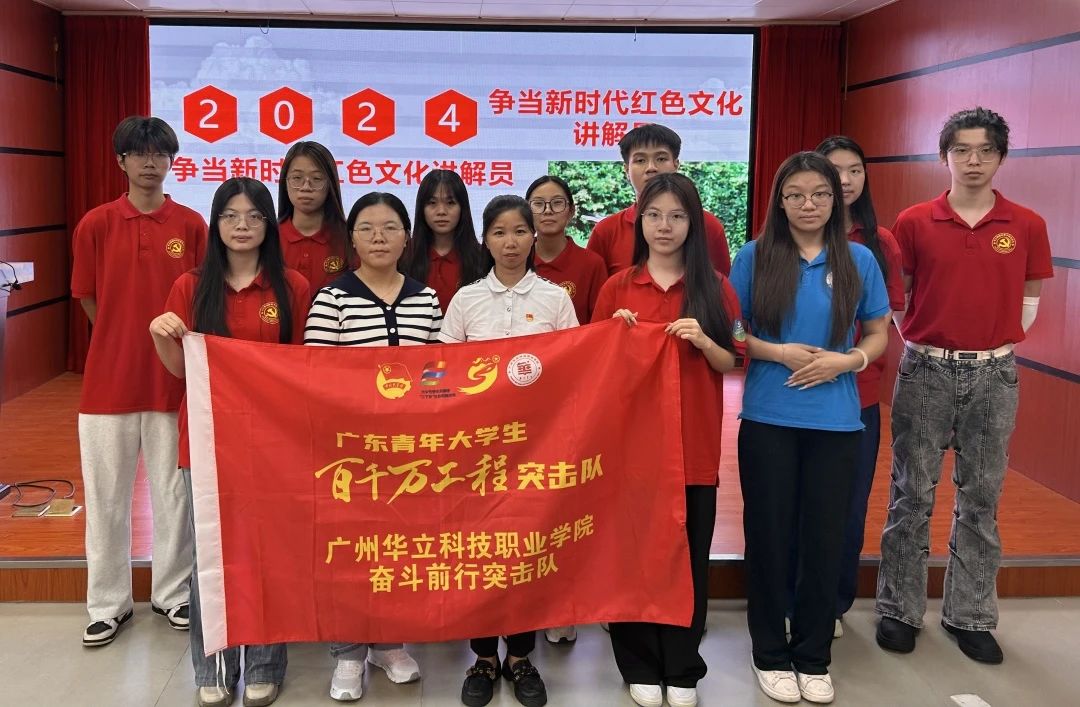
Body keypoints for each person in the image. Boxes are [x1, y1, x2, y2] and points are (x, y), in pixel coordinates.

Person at [875, 107, 1054, 665]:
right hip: (926, 369)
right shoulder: (913, 221)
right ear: (944, 156)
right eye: (961, 150)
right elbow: (901, 296)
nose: (973, 161)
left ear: (1001, 157)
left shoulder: (1026, 224)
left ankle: (970, 615)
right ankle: (899, 609)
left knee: (981, 497)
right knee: (912, 492)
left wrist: (995, 341)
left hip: (995, 375)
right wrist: (924, 341)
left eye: (985, 151)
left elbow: (1029, 297)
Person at [729, 151, 890, 704]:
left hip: (838, 422)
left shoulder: (859, 259)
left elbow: (877, 332)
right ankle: (769, 653)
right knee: (769, 536)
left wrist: (847, 361)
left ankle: (813, 655)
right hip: (768, 417)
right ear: (779, 200)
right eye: (795, 194)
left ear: (835, 199)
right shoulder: (754, 256)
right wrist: (778, 352)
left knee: (826, 538)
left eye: (820, 194)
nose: (809, 204)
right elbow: (732, 330)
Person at [149, 177, 309, 707]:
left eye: (254, 216)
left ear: (269, 224)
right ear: (215, 223)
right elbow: (180, 371)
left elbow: (304, 368)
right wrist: (161, 335)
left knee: (268, 553)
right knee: (210, 557)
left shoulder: (293, 286)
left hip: (274, 442)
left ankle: (265, 663)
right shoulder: (190, 286)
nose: (242, 226)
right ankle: (214, 666)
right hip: (207, 439)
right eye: (230, 216)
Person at [592, 173, 739, 707]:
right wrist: (615, 336)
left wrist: (703, 339)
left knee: (688, 558)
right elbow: (593, 368)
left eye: (677, 216)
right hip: (629, 450)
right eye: (654, 215)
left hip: (692, 449)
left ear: (693, 224)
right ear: (640, 222)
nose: (664, 226)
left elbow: (731, 360)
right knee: (631, 554)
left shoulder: (715, 286)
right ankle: (637, 664)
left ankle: (682, 667)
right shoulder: (617, 287)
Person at [70, 115, 206, 648]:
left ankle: (172, 594)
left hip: (173, 383)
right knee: (107, 499)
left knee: (174, 497)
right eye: (140, 154)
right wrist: (119, 337)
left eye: (160, 153)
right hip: (107, 386)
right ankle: (108, 604)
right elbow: (88, 297)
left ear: (172, 161)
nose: (151, 163)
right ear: (121, 161)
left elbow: (202, 299)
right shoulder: (96, 223)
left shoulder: (192, 225)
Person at [439, 195, 578, 707]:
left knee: (526, 549)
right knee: (479, 549)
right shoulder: (466, 299)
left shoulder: (555, 299)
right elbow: (445, 374)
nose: (511, 242)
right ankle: (483, 656)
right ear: (485, 239)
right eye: (499, 232)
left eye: (520, 231)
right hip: (477, 450)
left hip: (537, 448)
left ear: (533, 236)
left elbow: (574, 368)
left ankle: (520, 656)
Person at [304, 192, 438, 701]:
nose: (379, 237)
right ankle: (348, 652)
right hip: (350, 452)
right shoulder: (332, 298)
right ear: (352, 239)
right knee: (350, 550)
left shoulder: (427, 299)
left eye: (389, 227)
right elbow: (316, 376)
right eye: (367, 228)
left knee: (400, 547)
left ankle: (389, 644)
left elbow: (437, 373)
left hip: (409, 451)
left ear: (407, 236)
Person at [785, 136, 905, 639]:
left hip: (857, 395)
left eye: (854, 170)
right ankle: (788, 597)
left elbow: (884, 322)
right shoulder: (783, 240)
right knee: (792, 503)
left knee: (847, 504)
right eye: (834, 171)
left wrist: (848, 360)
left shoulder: (878, 243)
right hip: (792, 389)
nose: (845, 180)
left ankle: (831, 602)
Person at [586, 123, 731, 276]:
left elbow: (719, 285)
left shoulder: (708, 225)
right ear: (626, 169)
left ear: (676, 164)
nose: (651, 168)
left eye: (661, 159)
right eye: (640, 160)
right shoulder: (606, 231)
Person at [527, 175, 608, 329]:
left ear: (571, 211)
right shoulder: (516, 261)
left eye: (557, 203)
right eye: (538, 204)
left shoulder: (592, 264)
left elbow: (600, 325)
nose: (548, 211)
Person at [402, 169, 484, 313]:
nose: (441, 211)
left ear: (462, 208)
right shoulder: (403, 255)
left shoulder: (481, 257)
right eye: (432, 203)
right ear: (421, 209)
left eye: (450, 203)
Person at [277, 141, 351, 291]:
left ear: (330, 184)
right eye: (297, 178)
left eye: (316, 179)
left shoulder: (349, 238)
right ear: (285, 182)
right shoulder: (268, 236)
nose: (306, 187)